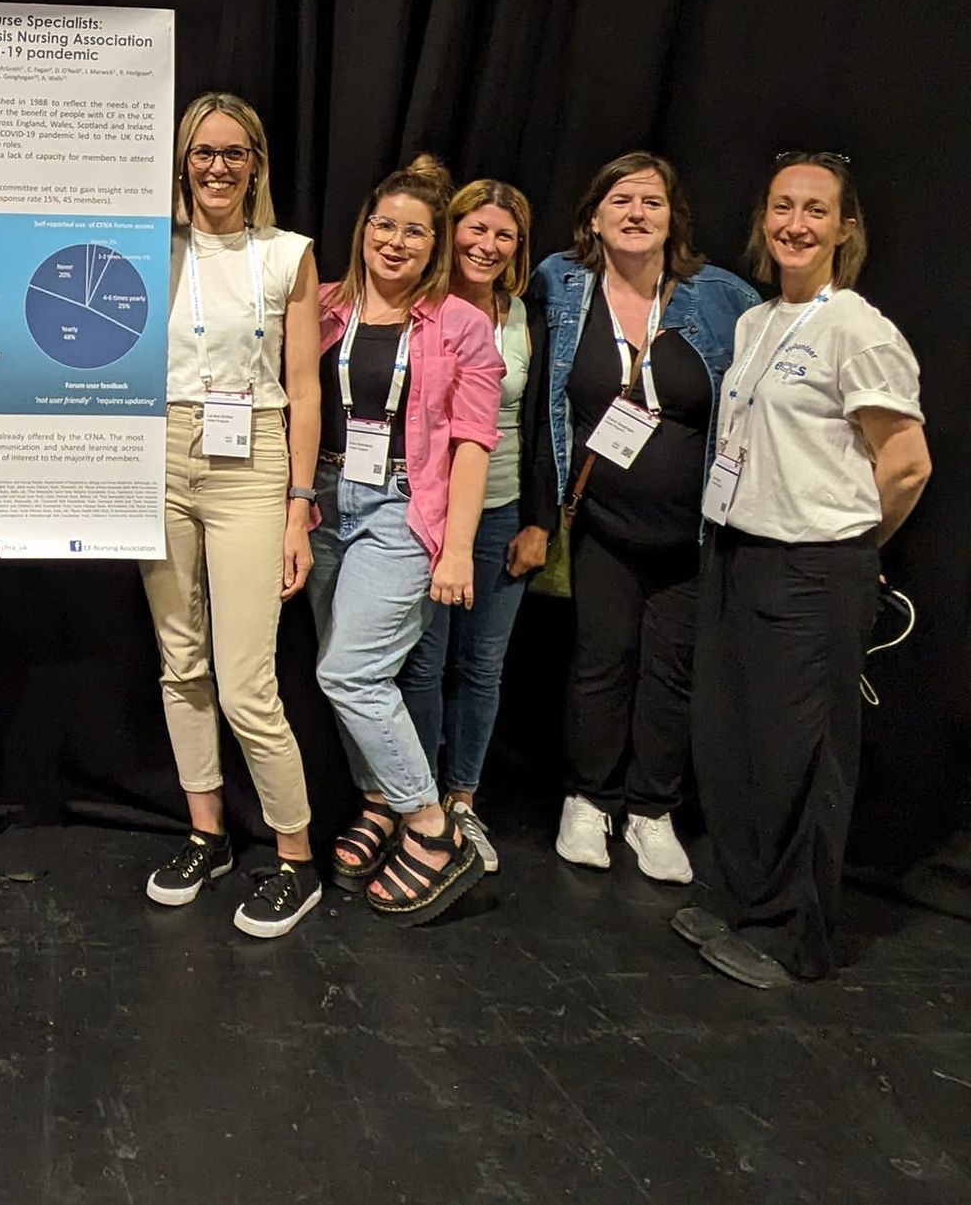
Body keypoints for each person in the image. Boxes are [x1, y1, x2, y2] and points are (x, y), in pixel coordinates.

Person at [677, 152, 928, 988]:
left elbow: (907, 465)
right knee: (733, 743)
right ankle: (745, 900)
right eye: (782, 206)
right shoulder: (756, 322)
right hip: (737, 550)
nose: (796, 223)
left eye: (815, 210)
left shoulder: (857, 326)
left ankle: (795, 934)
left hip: (814, 566)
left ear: (844, 227)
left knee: (803, 758)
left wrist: (851, 546)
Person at [516, 153, 758, 882]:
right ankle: (589, 799)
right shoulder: (561, 284)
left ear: (673, 218)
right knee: (600, 662)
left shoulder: (723, 298)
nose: (636, 213)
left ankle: (652, 811)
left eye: (652, 201)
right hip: (602, 526)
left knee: (670, 673)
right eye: (620, 199)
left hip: (693, 534)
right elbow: (535, 406)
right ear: (594, 214)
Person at [137, 92, 323, 939]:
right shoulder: (151, 250)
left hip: (252, 455)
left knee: (248, 680)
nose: (217, 166)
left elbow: (307, 387)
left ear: (256, 163)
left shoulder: (289, 255)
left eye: (233, 152)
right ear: (183, 161)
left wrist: (298, 505)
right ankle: (206, 834)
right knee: (181, 662)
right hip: (161, 450)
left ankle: (296, 858)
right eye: (202, 152)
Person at [307, 156, 503, 926]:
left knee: (352, 672)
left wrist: (455, 547)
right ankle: (379, 801)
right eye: (383, 224)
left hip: (400, 506)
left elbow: (473, 442)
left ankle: (431, 826)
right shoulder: (323, 307)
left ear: (435, 246)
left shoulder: (462, 323)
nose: (394, 241)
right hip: (324, 502)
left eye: (414, 231)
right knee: (350, 673)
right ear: (363, 230)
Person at [393, 180, 546, 874]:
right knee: (422, 663)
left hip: (502, 509)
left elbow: (543, 423)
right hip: (428, 509)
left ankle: (463, 798)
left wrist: (539, 519)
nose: (487, 245)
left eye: (504, 235)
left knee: (481, 665)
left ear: (518, 247)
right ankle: (417, 800)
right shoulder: (418, 307)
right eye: (474, 229)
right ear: (449, 229)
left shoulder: (523, 315)